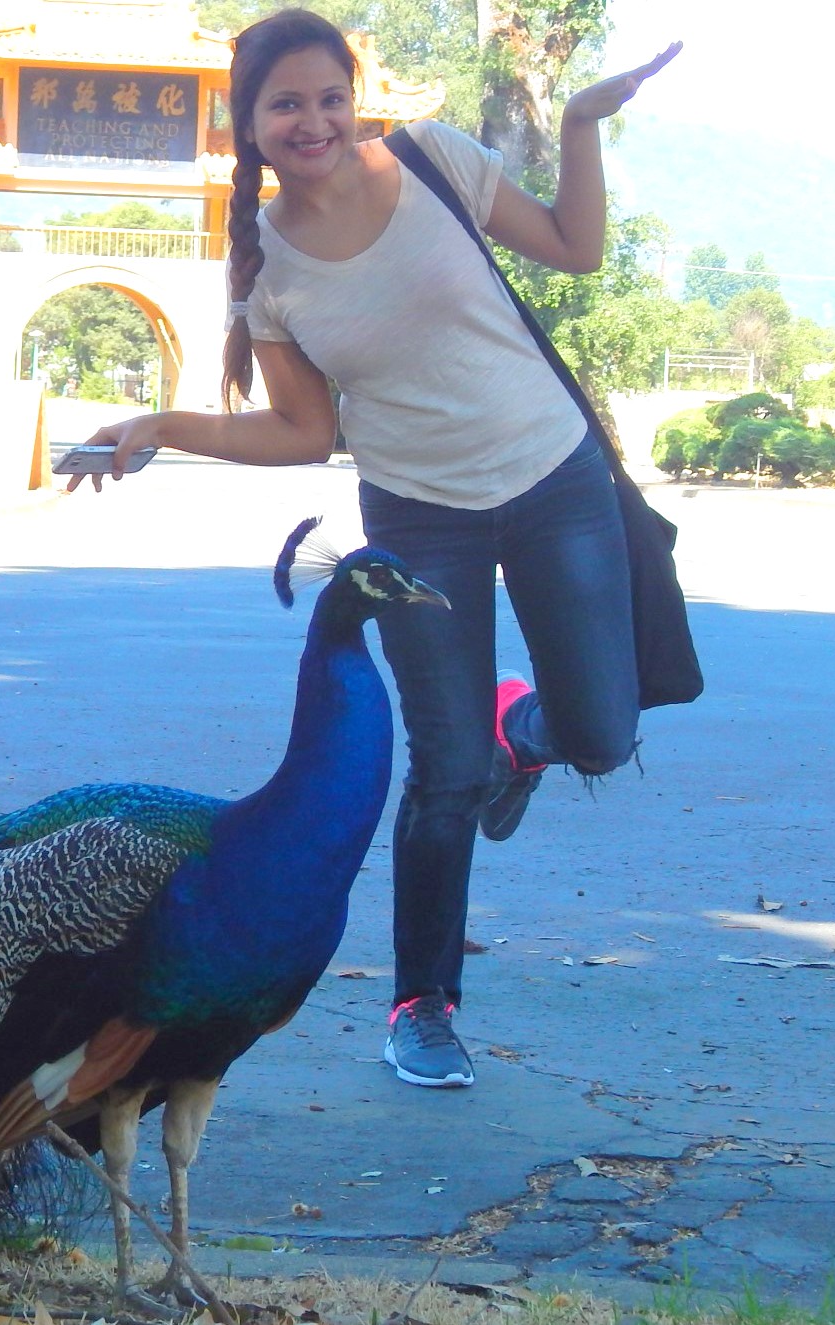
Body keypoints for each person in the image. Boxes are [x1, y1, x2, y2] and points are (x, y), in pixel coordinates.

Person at [71, 10, 679, 1088]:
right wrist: (160, 425)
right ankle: (423, 1001)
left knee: (600, 730)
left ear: (356, 101)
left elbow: (576, 252)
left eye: (329, 97)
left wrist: (581, 123)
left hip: (555, 477)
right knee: (443, 771)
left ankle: (524, 727)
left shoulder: (435, 158)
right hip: (420, 517)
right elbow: (305, 433)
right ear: (250, 126)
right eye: (286, 105)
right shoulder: (272, 276)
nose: (313, 121)